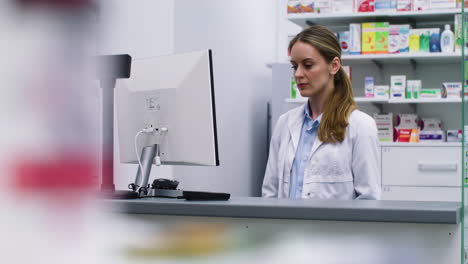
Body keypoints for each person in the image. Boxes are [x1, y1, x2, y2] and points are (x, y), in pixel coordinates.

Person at [262, 25, 381, 200]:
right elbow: (270, 192)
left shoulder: (360, 126)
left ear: (334, 66)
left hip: (333, 228)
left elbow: (369, 199)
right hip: (287, 227)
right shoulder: (285, 122)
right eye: (295, 66)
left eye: (308, 65)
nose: (298, 74)